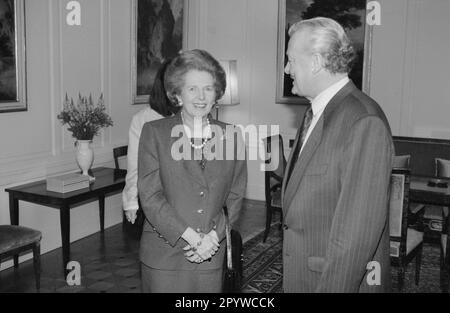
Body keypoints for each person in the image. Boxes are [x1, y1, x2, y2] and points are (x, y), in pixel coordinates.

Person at [282, 17, 394, 292]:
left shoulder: (362, 120)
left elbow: (356, 235)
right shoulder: (316, 112)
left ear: (316, 62)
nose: (287, 69)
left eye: (291, 60)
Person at [137, 49, 247, 293]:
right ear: (177, 94)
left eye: (208, 88)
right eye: (192, 88)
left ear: (216, 93)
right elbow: (150, 196)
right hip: (165, 254)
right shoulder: (154, 132)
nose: (201, 96)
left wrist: (212, 238)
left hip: (210, 253)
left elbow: (236, 195)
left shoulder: (231, 135)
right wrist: (193, 237)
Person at [122, 60, 179, 225]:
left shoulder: (192, 117)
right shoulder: (142, 119)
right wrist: (131, 200)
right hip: (155, 198)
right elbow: (135, 163)